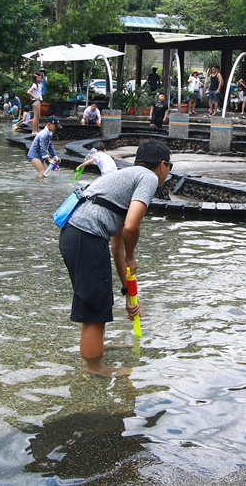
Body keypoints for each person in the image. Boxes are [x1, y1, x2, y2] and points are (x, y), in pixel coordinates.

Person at [59, 139, 173, 376]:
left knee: (98, 299)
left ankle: (96, 346)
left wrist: (128, 292)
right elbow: (131, 228)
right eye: (168, 168)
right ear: (163, 165)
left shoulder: (126, 177)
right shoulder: (148, 178)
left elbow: (117, 245)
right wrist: (132, 256)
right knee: (94, 306)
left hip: (76, 234)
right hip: (86, 235)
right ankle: (94, 367)